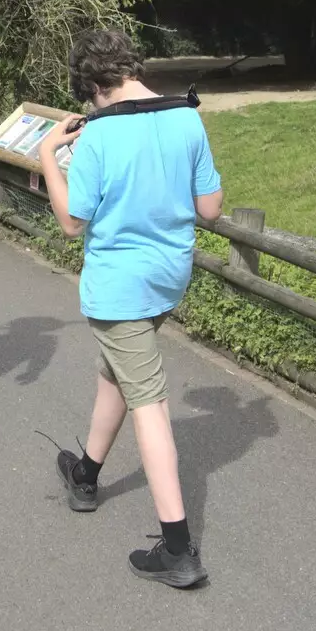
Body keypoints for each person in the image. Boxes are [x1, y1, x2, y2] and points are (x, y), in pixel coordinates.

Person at [35, 29, 223, 588]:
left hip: (120, 286)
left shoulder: (96, 137)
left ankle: (177, 549)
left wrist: (49, 154)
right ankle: (86, 475)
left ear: (95, 84)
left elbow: (71, 223)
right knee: (116, 372)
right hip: (169, 278)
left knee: (148, 402)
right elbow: (209, 208)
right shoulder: (187, 116)